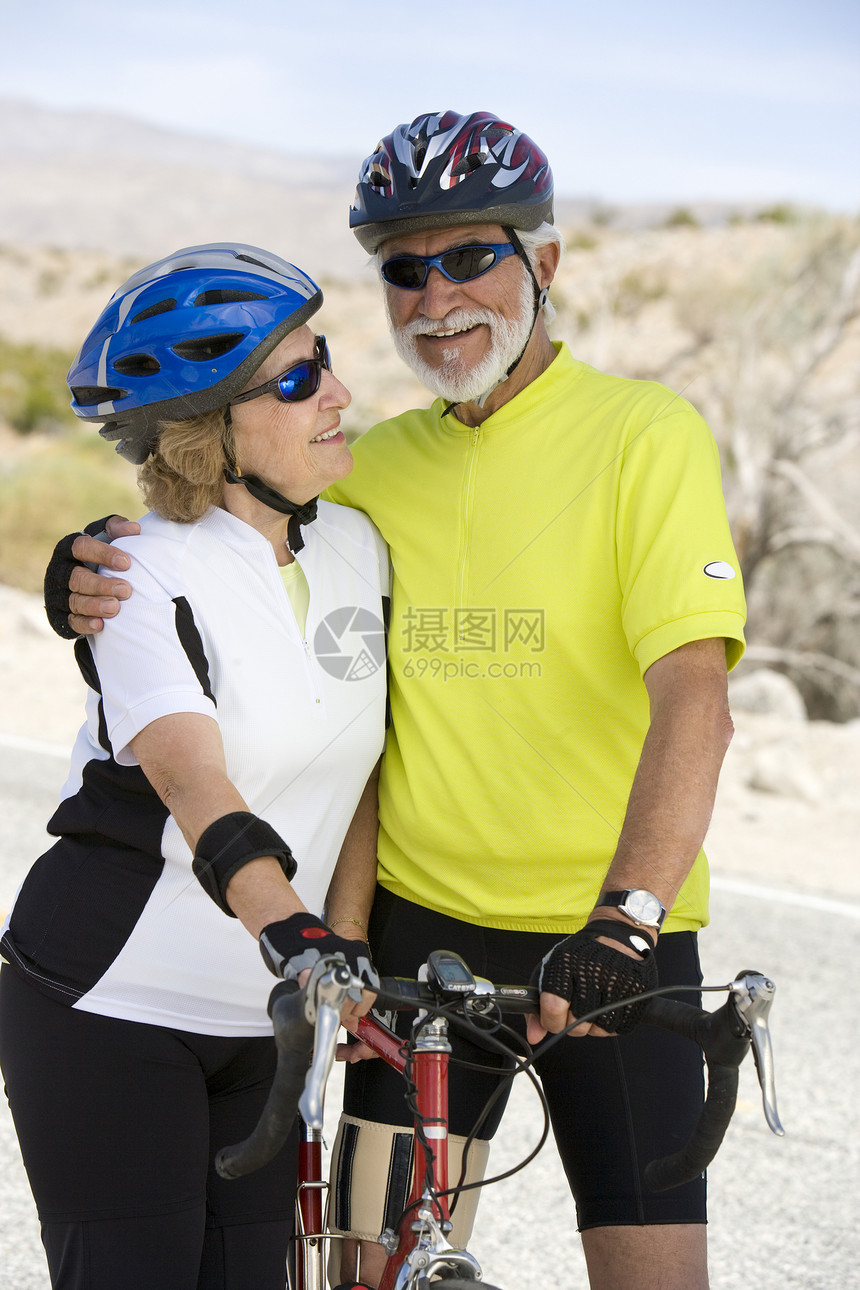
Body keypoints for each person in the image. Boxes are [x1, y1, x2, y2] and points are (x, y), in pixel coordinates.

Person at [43, 112, 746, 1290]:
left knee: (655, 1275)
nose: (434, 298)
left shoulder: (644, 435)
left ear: (545, 263)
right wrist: (91, 578)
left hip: (610, 937)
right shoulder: (377, 473)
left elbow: (693, 698)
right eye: (403, 271)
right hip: (422, 937)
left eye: (469, 257)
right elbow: (239, 568)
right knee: (369, 1272)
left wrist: (626, 917)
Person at [0, 242, 387, 1290]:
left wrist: (341, 950)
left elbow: (357, 786)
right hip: (111, 1002)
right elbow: (193, 784)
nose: (339, 392)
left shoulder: (360, 550)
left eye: (328, 359)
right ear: (211, 427)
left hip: (264, 1017)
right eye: (299, 378)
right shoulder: (135, 573)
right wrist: (295, 934)